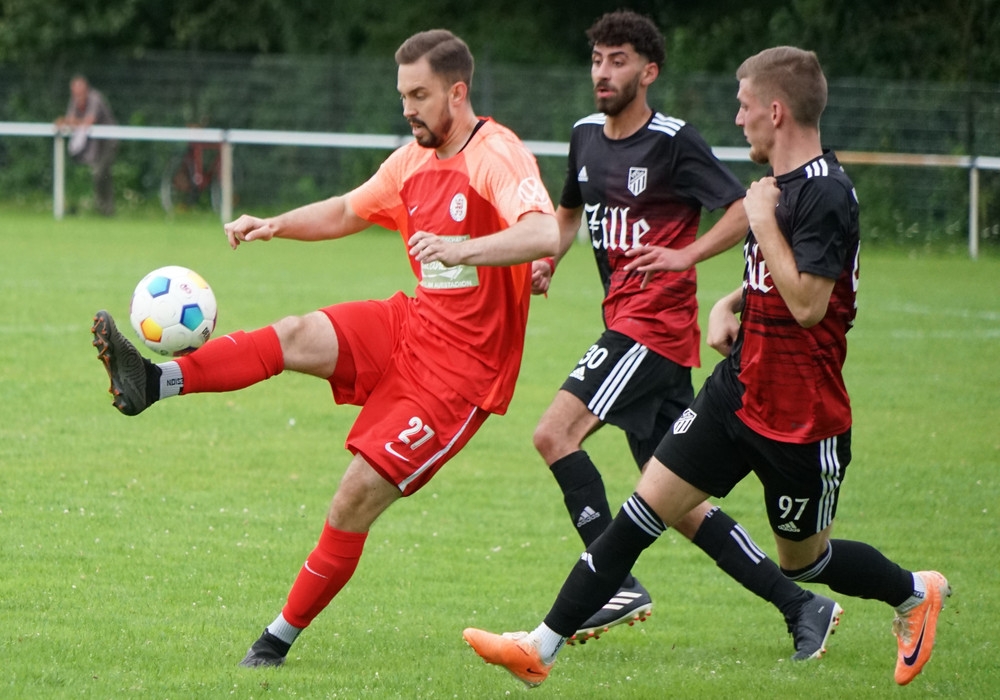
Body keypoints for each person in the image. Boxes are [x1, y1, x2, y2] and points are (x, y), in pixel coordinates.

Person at [464, 46, 950, 688]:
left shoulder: (824, 192)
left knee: (804, 561)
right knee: (641, 513)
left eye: (744, 106)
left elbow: (810, 304)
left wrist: (761, 221)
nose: (737, 118)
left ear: (775, 111)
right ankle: (540, 647)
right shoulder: (776, 188)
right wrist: (729, 302)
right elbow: (777, 277)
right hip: (736, 392)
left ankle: (914, 592)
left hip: (803, 418)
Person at [91, 29, 559, 667]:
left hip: (462, 375)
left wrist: (465, 249)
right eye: (402, 95)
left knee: (353, 497)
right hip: (412, 324)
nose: (407, 108)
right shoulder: (411, 161)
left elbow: (542, 233)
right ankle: (155, 383)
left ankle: (275, 640)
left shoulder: (495, 155)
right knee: (294, 333)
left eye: (419, 95)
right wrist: (276, 224)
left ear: (457, 92)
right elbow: (346, 211)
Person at [528, 10, 839, 655]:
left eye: (617, 61)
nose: (603, 72)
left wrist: (685, 255)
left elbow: (742, 207)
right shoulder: (584, 136)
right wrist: (549, 258)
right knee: (677, 501)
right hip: (629, 327)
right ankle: (800, 604)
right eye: (596, 60)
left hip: (653, 329)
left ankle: (614, 587)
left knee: (554, 433)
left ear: (649, 72)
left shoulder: (673, 142)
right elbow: (566, 215)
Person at [55, 75, 118, 216]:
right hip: (93, 140)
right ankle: (103, 208)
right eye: (74, 93)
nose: (77, 96)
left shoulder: (95, 98)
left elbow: (89, 121)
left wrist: (67, 121)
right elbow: (71, 120)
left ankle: (106, 209)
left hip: (108, 141)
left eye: (79, 93)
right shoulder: (74, 100)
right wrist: (67, 121)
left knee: (101, 173)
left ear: (86, 89)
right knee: (99, 174)